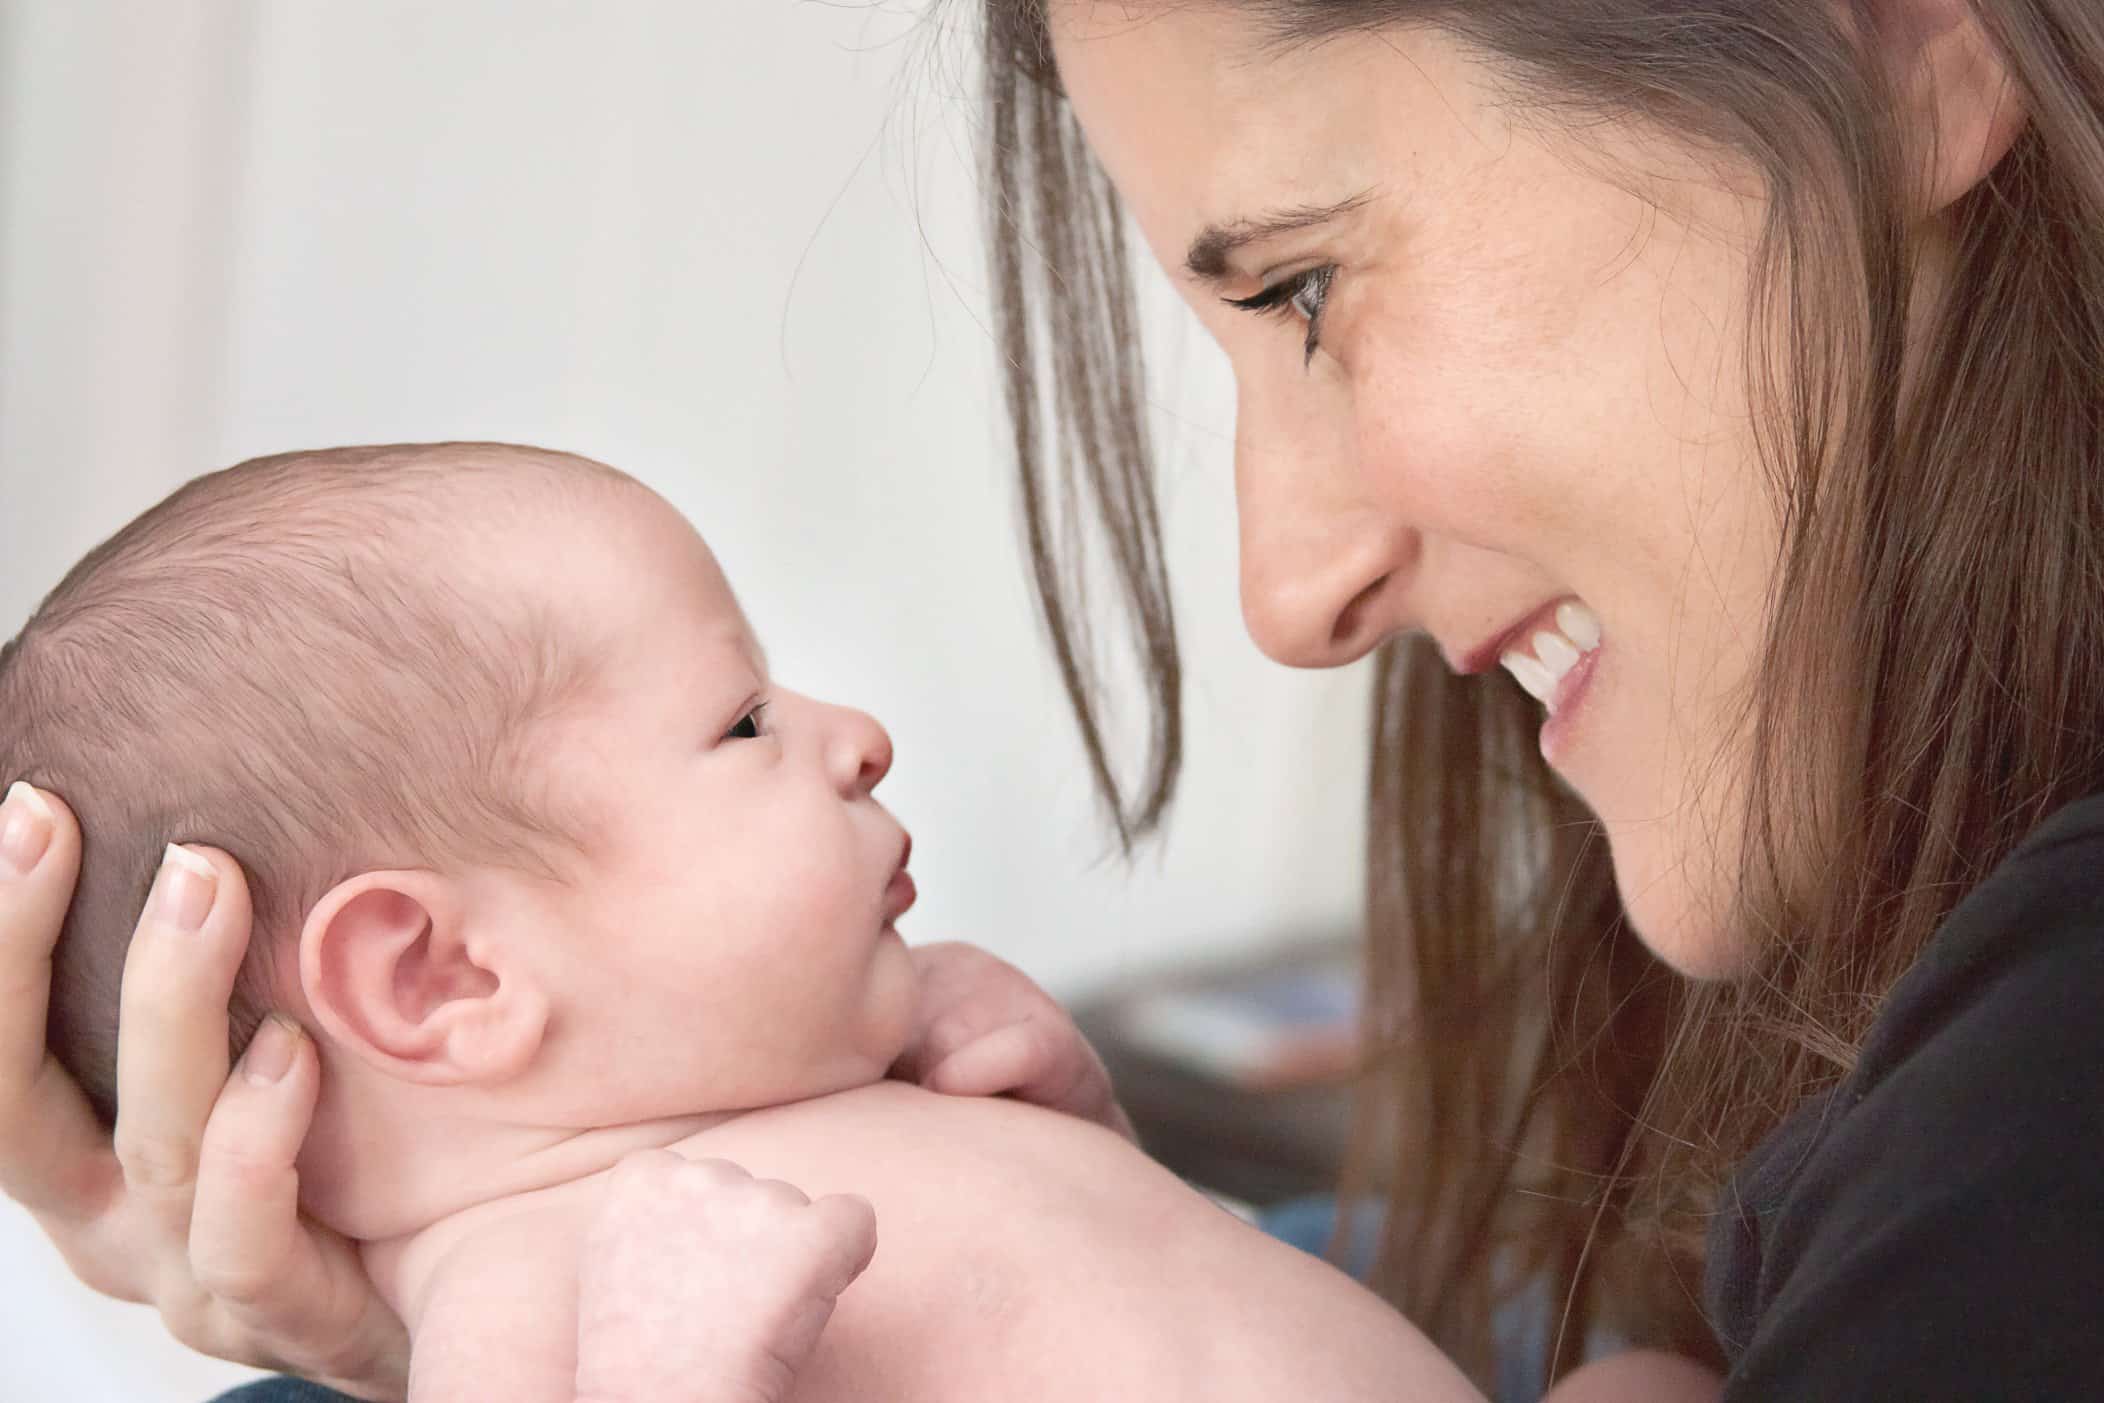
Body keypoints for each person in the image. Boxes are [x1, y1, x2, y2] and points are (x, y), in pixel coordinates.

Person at [2, 0, 2099, 1398]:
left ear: (1893, 41)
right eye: (734, 730)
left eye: (1301, 282)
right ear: (437, 977)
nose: (1289, 597)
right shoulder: (585, 1295)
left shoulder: (2038, 1086)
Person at [0, 441, 1488, 1403]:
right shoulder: (532, 1293)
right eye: (743, 721)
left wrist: (1086, 1143)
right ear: (445, 973)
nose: (856, 736)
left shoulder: (828, 1106)